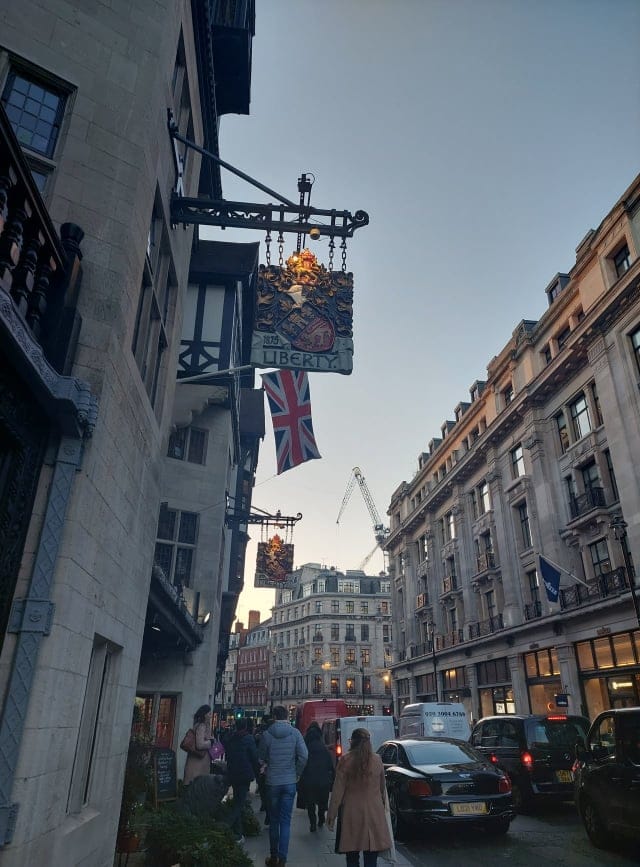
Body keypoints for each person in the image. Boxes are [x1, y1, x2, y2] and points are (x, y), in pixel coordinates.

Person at [326, 728, 392, 867]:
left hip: (351, 813)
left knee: (352, 857)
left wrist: (331, 815)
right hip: (374, 813)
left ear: (353, 742)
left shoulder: (345, 760)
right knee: (371, 856)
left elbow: (337, 791)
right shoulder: (377, 760)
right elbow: (382, 789)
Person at [259, 705, 308, 867]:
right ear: (287, 716)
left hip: (272, 781)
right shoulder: (295, 733)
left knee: (274, 821)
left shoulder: (266, 735)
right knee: (286, 821)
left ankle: (273, 856)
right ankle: (283, 858)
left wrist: (267, 764)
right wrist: (297, 773)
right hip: (289, 781)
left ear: (274, 716)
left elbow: (262, 757)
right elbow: (304, 755)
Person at [225, 717, 261, 843]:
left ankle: (238, 834)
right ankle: (225, 825)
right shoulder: (248, 738)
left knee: (237, 800)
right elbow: (254, 756)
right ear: (245, 727)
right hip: (244, 774)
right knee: (239, 804)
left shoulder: (231, 737)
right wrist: (258, 772)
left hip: (232, 773)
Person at [298, 721, 334, 832]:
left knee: (310, 802)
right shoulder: (324, 749)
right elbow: (330, 766)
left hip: (309, 779)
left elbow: (301, 762)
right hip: (323, 780)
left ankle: (312, 823)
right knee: (322, 801)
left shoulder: (305, 748)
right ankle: (321, 817)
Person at [183, 704, 212, 786]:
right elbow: (199, 744)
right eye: (209, 714)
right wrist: (210, 742)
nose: (210, 716)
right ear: (205, 714)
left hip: (198, 761)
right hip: (198, 761)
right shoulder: (202, 726)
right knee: (197, 786)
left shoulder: (200, 725)